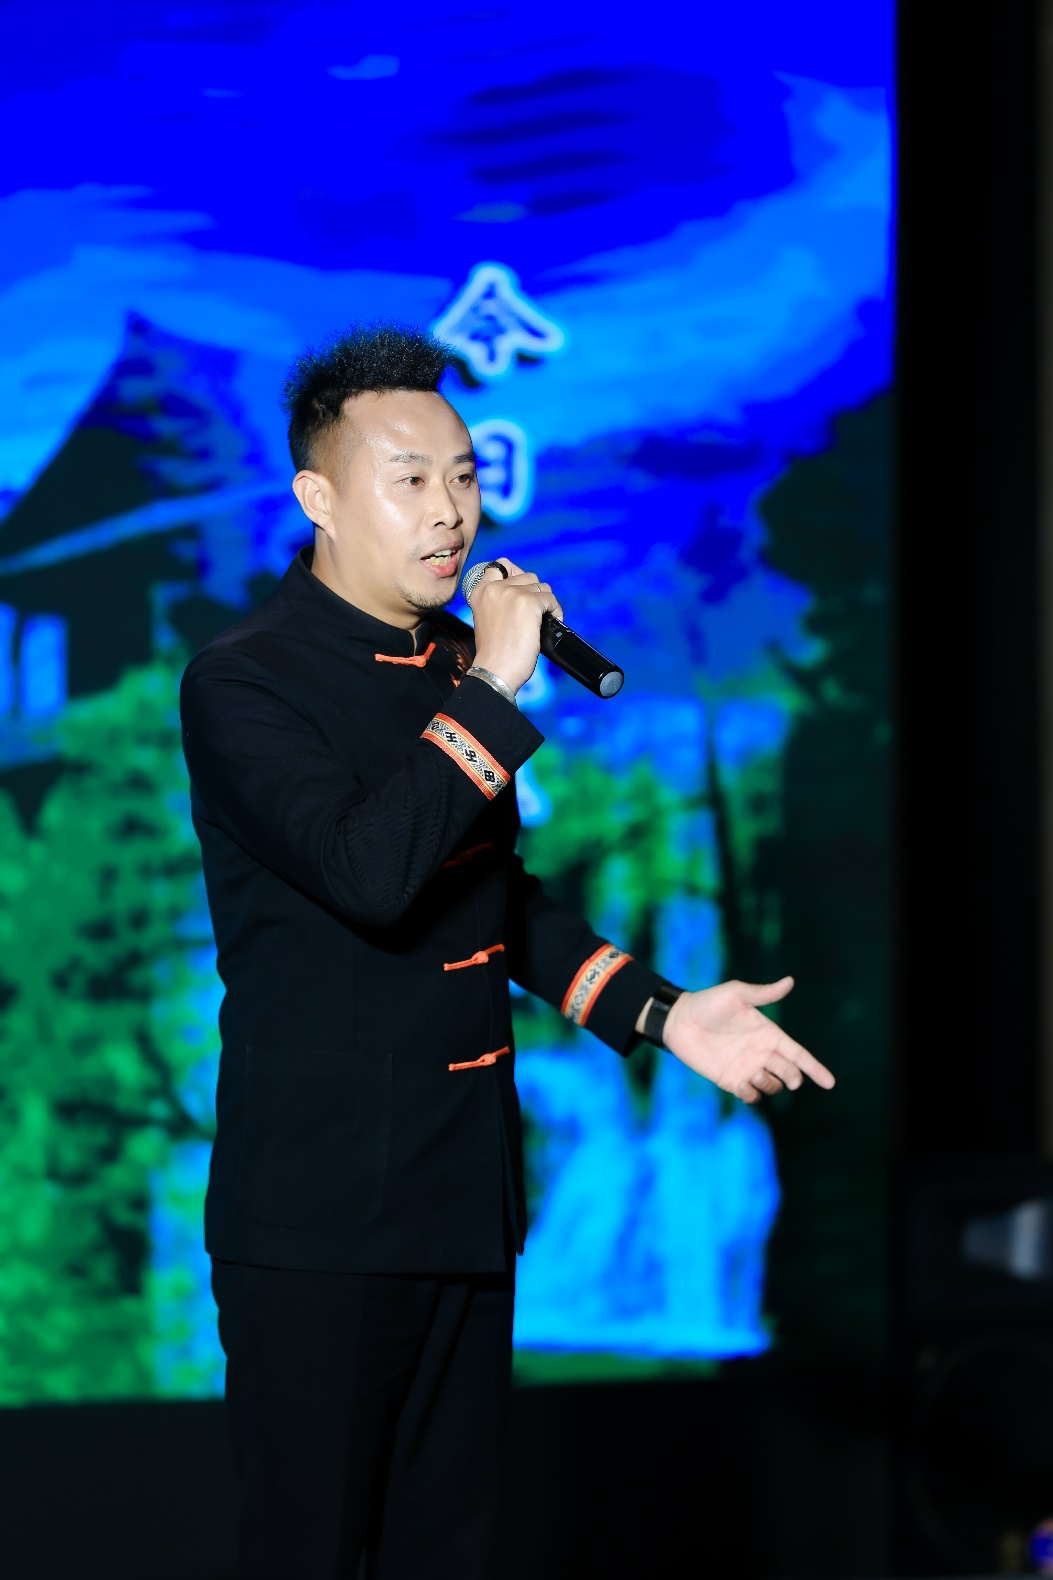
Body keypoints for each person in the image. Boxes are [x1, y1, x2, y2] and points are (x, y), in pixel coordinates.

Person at [179, 325, 835, 1580]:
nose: (450, 511)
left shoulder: (448, 664)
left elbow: (490, 899)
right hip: (320, 1217)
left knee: (450, 1550)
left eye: (465, 475)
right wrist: (491, 686)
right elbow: (371, 877)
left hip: (462, 1196)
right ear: (318, 497)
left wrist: (667, 1013)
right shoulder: (243, 682)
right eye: (409, 479)